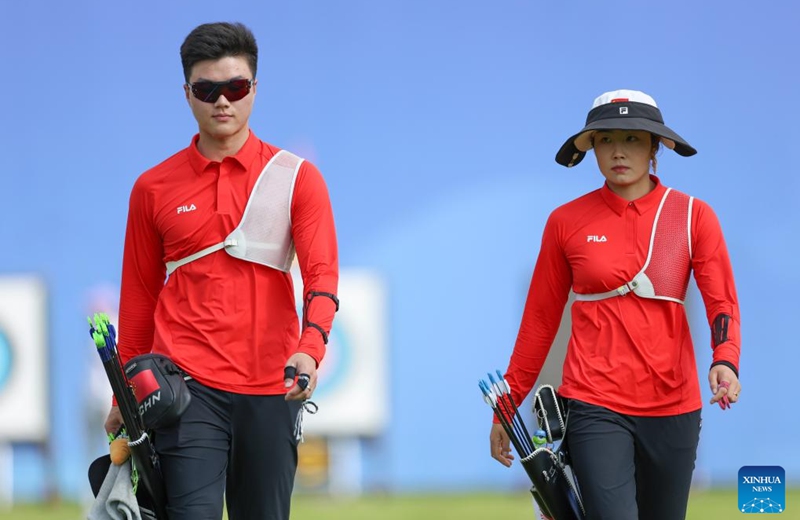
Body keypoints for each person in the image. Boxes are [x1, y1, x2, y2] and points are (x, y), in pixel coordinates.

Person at [104, 21, 339, 520]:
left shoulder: (297, 178)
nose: (223, 101)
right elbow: (139, 301)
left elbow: (322, 276)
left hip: (272, 387)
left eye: (235, 86)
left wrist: (311, 348)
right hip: (185, 390)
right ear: (187, 94)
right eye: (207, 90)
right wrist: (124, 395)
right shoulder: (152, 188)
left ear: (255, 88)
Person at [489, 89, 741, 520]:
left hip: (674, 406)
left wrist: (726, 359)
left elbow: (722, 300)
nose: (618, 151)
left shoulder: (692, 216)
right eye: (605, 140)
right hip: (594, 404)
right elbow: (539, 321)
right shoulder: (566, 221)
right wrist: (507, 406)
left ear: (655, 147)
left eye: (632, 139)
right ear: (591, 148)